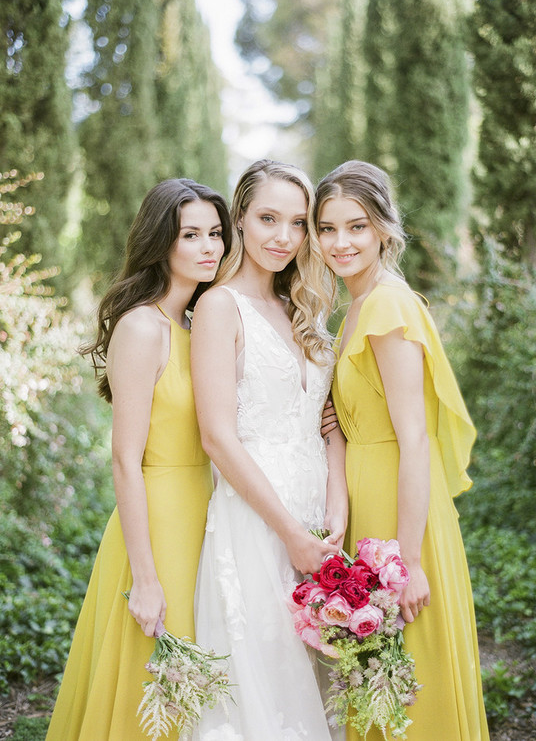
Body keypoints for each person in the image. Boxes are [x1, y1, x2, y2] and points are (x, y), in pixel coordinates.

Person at [46, 178, 231, 741]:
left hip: (208, 510)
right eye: (191, 235)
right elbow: (124, 459)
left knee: (201, 667)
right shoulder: (142, 327)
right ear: (160, 243)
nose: (209, 248)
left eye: (216, 234)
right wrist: (145, 578)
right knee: (157, 673)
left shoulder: (197, 325)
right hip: (158, 519)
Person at [314, 160, 490, 741]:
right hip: (368, 497)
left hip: (398, 508)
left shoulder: (387, 306)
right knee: (380, 672)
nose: (341, 242)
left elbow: (414, 437)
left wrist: (409, 559)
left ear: (385, 229)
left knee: (409, 670)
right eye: (328, 227)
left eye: (357, 226)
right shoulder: (356, 307)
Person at [191, 159, 348, 740]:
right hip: (258, 520)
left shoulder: (302, 310)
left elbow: (326, 422)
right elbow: (216, 437)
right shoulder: (218, 307)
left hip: (318, 518)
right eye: (268, 218)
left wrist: (337, 504)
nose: (285, 237)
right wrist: (289, 533)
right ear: (239, 219)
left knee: (316, 680)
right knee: (264, 679)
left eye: (299, 223)